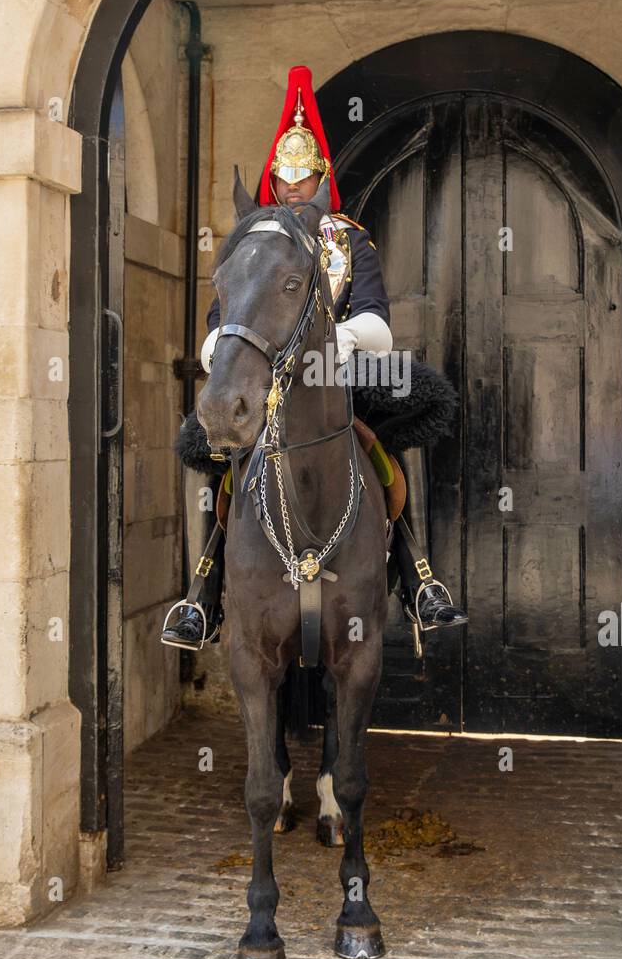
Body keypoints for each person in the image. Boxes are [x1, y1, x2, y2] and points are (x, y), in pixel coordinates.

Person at [162, 66, 467, 651]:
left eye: (305, 178)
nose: (294, 187)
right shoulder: (254, 241)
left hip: (338, 371)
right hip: (267, 375)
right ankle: (203, 592)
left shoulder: (348, 240)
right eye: (285, 177)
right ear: (273, 181)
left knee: (391, 435)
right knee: (222, 447)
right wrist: (223, 351)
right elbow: (216, 326)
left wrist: (342, 342)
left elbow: (377, 321)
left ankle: (418, 575)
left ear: (323, 179)